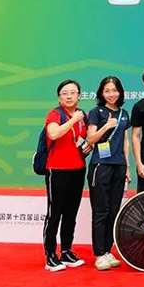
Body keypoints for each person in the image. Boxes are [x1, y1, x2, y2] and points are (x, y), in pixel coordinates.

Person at [86, 76, 131, 271]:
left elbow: (125, 141)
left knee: (114, 211)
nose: (111, 94)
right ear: (101, 93)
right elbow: (90, 139)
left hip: (119, 165)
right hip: (100, 165)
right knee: (101, 211)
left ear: (120, 92)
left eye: (114, 90)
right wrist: (106, 126)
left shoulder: (124, 113)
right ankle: (99, 254)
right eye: (107, 91)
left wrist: (127, 166)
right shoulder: (96, 112)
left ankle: (107, 251)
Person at [42, 79, 88, 272]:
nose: (69, 96)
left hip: (78, 169)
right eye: (65, 93)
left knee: (71, 213)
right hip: (57, 170)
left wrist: (87, 147)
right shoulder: (55, 114)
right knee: (55, 213)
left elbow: (83, 139)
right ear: (59, 97)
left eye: (73, 92)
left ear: (79, 95)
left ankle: (66, 251)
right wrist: (73, 121)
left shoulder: (83, 115)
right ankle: (50, 255)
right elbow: (53, 134)